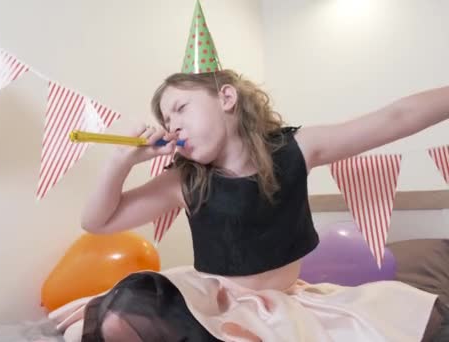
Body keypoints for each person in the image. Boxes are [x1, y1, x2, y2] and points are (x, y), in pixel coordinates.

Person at [47, 69, 448, 341]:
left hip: (288, 303)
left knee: (419, 315)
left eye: (181, 108)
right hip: (215, 301)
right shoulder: (184, 181)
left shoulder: (299, 148)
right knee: (120, 321)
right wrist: (120, 162)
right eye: (166, 119)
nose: (173, 126)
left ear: (226, 97)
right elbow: (97, 222)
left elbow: (397, 118)